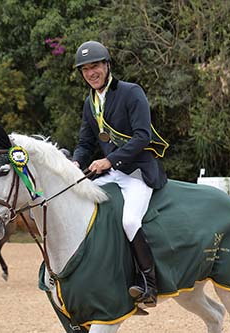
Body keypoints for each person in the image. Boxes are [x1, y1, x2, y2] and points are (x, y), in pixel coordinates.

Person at [72, 40, 168, 307]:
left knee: (129, 221)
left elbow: (142, 137)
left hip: (138, 171)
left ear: (107, 66)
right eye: (85, 69)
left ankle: (150, 285)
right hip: (112, 172)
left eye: (95, 67)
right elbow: (85, 143)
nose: (91, 73)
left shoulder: (131, 92)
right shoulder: (90, 103)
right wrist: (77, 164)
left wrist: (109, 161)